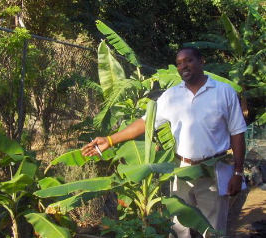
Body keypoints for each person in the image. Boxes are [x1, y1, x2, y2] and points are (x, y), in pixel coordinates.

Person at [82, 46, 247, 237]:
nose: (183, 66)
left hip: (213, 171)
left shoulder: (223, 92)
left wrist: (238, 172)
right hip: (181, 171)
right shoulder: (171, 95)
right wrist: (110, 140)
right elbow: (146, 122)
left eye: (188, 61)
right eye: (178, 63)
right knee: (178, 229)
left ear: (201, 62)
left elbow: (237, 133)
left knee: (214, 230)